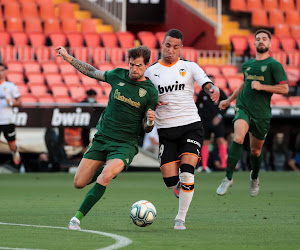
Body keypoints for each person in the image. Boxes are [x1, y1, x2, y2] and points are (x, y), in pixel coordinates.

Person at [54, 45, 158, 230]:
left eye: (139, 66)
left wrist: (150, 122)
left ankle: (76, 219)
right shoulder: (117, 75)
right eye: (132, 64)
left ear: (146, 65)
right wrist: (68, 58)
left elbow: (147, 128)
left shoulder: (150, 92)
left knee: (105, 176)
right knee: (79, 183)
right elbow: (93, 71)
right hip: (102, 138)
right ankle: (107, 167)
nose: (134, 69)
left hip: (125, 144)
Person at [145, 29, 220, 230]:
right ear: (162, 45)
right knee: (170, 181)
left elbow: (206, 83)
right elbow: (143, 98)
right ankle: (181, 189)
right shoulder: (150, 72)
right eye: (168, 45)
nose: (171, 50)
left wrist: (213, 88)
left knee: (187, 172)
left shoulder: (189, 67)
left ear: (181, 48)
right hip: (166, 131)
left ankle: (180, 219)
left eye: (176, 47)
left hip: (191, 127)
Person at [216, 29, 289, 197]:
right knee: (238, 138)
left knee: (256, 151)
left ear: (269, 44)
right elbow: (244, 85)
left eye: (264, 39)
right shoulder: (247, 64)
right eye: (258, 39)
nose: (261, 41)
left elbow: (284, 88)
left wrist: (262, 86)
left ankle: (254, 177)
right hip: (243, 106)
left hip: (262, 113)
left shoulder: (274, 65)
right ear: (254, 44)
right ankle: (228, 178)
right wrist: (229, 100)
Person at [195, 75, 228, 173]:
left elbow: (227, 104)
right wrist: (201, 117)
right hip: (205, 122)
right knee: (205, 142)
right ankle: (204, 166)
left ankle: (224, 165)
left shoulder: (220, 92)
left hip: (217, 121)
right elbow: (197, 106)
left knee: (221, 140)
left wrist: (219, 116)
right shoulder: (202, 93)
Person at [0, 63, 22, 166]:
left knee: (11, 144)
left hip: (7, 120)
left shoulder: (10, 86)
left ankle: (15, 151)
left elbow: (20, 102)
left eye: (1, 70)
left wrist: (11, 103)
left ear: (5, 71)